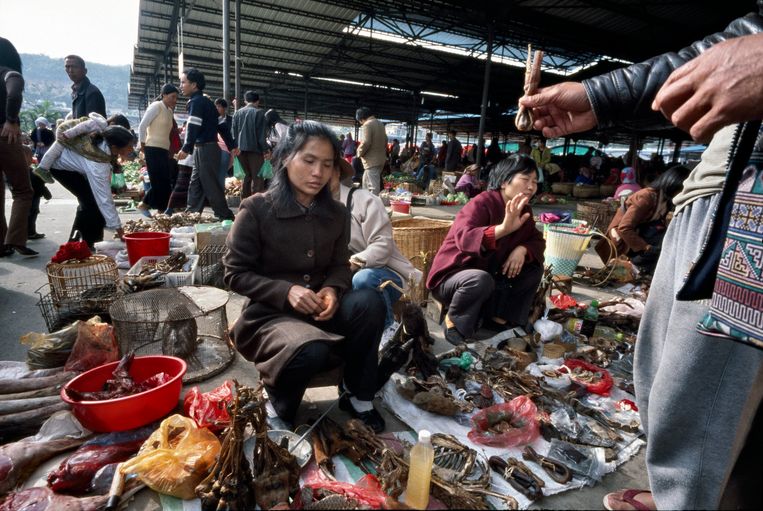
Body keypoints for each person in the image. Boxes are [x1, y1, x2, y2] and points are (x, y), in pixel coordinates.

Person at [519, 9, 763, 510]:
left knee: (700, 416)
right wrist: (598, 96)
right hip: (721, 188)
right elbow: (737, 41)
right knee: (668, 392)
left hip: (747, 204)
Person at [223, 120, 387, 432]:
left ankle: (358, 395)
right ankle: (280, 403)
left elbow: (341, 265)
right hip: (271, 315)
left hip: (320, 309)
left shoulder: (337, 213)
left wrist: (332, 290)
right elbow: (234, 273)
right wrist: (286, 291)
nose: (318, 172)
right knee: (309, 348)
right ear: (286, 158)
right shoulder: (256, 209)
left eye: (327, 164)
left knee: (369, 302)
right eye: (309, 161)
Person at [427, 155, 545, 344]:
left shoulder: (525, 211)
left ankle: (500, 318)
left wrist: (522, 249)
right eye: (525, 180)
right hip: (453, 279)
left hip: (489, 277)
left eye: (534, 182)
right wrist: (503, 229)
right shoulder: (482, 202)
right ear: (505, 181)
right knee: (480, 279)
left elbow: (537, 241)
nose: (531, 187)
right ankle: (455, 322)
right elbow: (464, 238)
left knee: (533, 268)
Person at [330, 158, 422, 328]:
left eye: (327, 166)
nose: (319, 174)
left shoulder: (364, 200)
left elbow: (382, 246)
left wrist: (353, 263)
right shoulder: (314, 207)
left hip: (383, 273)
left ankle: (386, 332)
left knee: (364, 278)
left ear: (337, 172)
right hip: (340, 277)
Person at [48, 126, 133, 248]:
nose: (131, 149)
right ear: (114, 147)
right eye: (129, 146)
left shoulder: (105, 148)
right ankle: (91, 244)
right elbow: (105, 199)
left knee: (88, 203)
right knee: (93, 205)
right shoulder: (98, 162)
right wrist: (119, 230)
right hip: (61, 169)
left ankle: (77, 241)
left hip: (75, 168)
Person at [596, 165, 690, 273]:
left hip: (640, 234)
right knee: (658, 246)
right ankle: (633, 264)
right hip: (622, 241)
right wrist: (646, 247)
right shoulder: (646, 197)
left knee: (667, 238)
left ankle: (641, 265)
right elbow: (624, 228)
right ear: (674, 184)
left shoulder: (666, 200)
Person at [177, 68, 238, 220]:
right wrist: (231, 145)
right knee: (196, 182)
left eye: (183, 82)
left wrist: (186, 147)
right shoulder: (207, 102)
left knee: (210, 185)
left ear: (194, 85)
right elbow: (221, 126)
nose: (181, 86)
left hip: (205, 148)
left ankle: (226, 216)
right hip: (205, 148)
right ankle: (192, 214)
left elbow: (193, 126)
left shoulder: (196, 102)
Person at [0, 37, 36, 258]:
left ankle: (1, 244)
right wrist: (11, 120)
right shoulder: (9, 73)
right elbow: (14, 92)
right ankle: (16, 240)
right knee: (23, 190)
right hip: (4, 136)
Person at [35, 113, 131, 184]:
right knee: (56, 149)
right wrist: (68, 134)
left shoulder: (105, 131)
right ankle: (42, 167)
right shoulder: (97, 124)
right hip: (66, 131)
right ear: (113, 123)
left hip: (73, 137)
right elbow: (81, 128)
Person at [136, 83, 178, 217]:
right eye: (172, 97)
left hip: (163, 150)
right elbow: (142, 126)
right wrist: (142, 144)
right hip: (152, 148)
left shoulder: (169, 111)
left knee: (164, 181)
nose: (174, 100)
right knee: (158, 181)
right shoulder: (156, 106)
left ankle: (153, 207)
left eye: (176, 97)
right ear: (164, 95)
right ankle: (158, 208)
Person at [231, 90, 267, 199]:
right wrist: (265, 149)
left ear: (245, 101)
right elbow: (261, 136)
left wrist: (235, 148)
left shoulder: (237, 113)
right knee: (257, 178)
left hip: (240, 150)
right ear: (258, 101)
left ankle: (244, 205)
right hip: (255, 150)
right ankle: (256, 205)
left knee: (246, 177)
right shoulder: (260, 113)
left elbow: (233, 133)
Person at [21, 145, 52, 240]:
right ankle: (31, 232)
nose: (32, 158)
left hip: (23, 197)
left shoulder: (19, 170)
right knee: (32, 212)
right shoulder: (32, 172)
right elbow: (39, 185)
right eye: (30, 156)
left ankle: (27, 232)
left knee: (26, 214)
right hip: (33, 196)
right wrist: (47, 194)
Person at [355, 107, 387, 195]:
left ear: (361, 118)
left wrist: (358, 153)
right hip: (380, 160)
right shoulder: (380, 124)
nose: (360, 123)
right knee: (365, 183)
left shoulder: (367, 124)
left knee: (373, 187)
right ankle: (366, 203)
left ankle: (373, 206)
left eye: (359, 121)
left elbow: (366, 142)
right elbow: (386, 140)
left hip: (371, 161)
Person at [215, 98, 234, 185]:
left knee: (223, 172)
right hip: (214, 148)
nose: (217, 108)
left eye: (219, 106)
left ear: (225, 108)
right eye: (216, 106)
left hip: (227, 149)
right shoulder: (212, 119)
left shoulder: (231, 120)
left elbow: (233, 135)